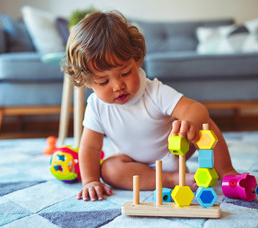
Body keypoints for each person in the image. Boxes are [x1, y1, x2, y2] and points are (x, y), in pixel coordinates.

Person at [63, 10, 239, 202]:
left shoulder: (154, 91)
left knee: (206, 124)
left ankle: (227, 172)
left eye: (125, 72)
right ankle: (172, 179)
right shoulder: (96, 106)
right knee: (108, 169)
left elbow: (197, 109)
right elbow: (89, 148)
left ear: (136, 59)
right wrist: (90, 181)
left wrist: (190, 122)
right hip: (133, 165)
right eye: (103, 82)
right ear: (87, 81)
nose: (117, 86)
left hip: (174, 153)